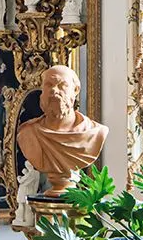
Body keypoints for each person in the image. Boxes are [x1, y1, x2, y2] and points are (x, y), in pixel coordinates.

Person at [15, 64, 108, 196]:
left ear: (76, 90)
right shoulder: (28, 133)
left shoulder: (94, 133)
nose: (54, 90)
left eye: (62, 85)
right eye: (49, 85)